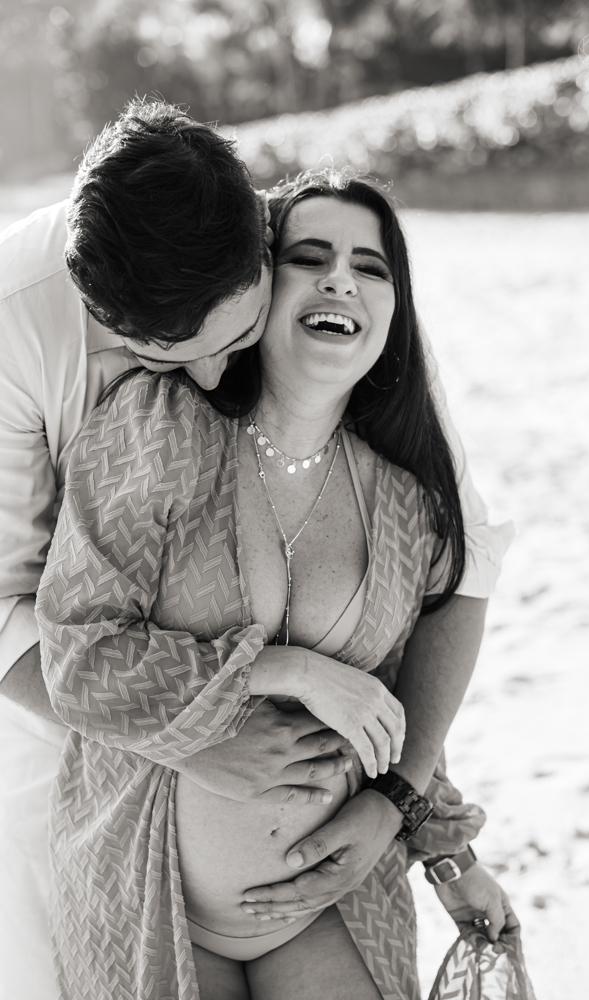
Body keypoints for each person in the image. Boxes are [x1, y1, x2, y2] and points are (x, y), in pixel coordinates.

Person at [36, 168, 516, 1000]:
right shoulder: (157, 427)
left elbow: (391, 712)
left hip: (330, 904)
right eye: (311, 255)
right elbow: (76, 657)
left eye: (372, 266)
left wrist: (450, 856)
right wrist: (282, 670)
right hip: (153, 901)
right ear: (259, 290)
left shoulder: (408, 504)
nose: (342, 277)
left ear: (392, 315)